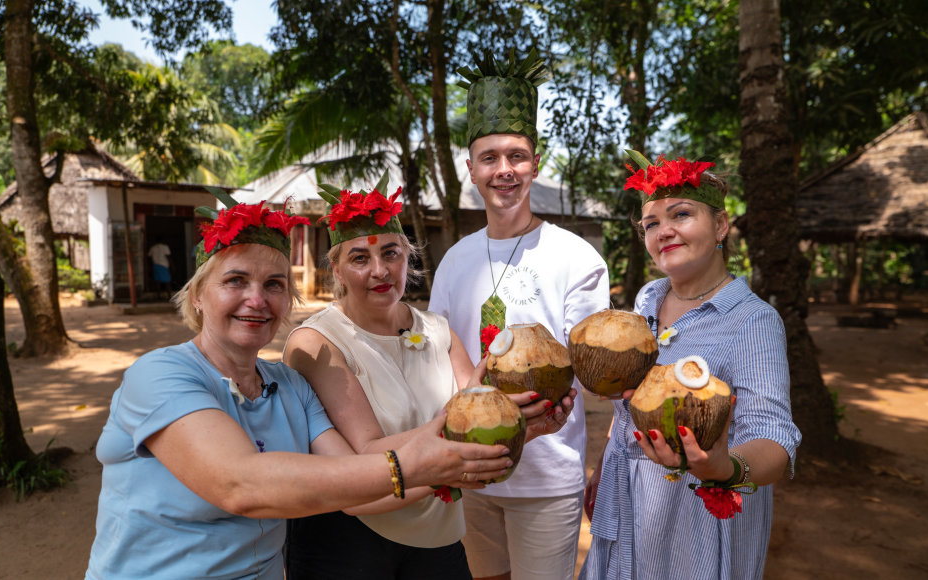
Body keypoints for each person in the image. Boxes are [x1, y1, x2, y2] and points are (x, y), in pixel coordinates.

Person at [84, 199, 514, 579]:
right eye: (235, 281)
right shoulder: (159, 375)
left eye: (274, 285)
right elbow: (241, 486)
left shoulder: (288, 386)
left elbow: (354, 483)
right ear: (197, 296)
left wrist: (470, 440)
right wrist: (420, 466)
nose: (257, 299)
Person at [282, 176, 573, 579]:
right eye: (360, 259)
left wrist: (526, 425)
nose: (380, 270)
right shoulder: (317, 344)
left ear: (408, 256)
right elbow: (368, 452)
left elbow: (477, 420)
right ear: (336, 268)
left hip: (439, 535)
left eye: (391, 253)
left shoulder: (438, 330)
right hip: (351, 540)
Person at [428, 49, 611, 580]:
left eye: (516, 156)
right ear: (471, 168)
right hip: (469, 466)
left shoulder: (577, 257)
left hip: (547, 473)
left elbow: (594, 366)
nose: (503, 171)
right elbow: (442, 352)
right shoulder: (455, 261)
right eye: (489, 158)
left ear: (536, 163)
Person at [579, 152, 802, 580]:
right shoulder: (647, 299)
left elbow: (775, 439)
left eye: (681, 214)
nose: (664, 231)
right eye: (651, 223)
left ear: (720, 225)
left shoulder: (751, 319)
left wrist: (724, 468)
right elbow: (631, 402)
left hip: (692, 514)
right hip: (625, 493)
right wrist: (605, 463)